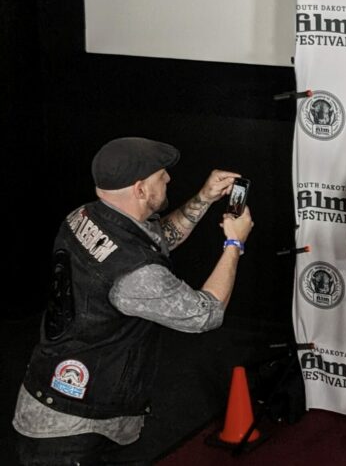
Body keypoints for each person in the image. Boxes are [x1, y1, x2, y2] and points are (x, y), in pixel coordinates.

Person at [13, 137, 254, 465]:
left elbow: (160, 239)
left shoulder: (85, 216)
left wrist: (204, 199)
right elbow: (205, 313)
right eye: (161, 176)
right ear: (140, 189)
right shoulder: (134, 273)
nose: (169, 179)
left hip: (57, 396)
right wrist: (234, 242)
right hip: (73, 428)